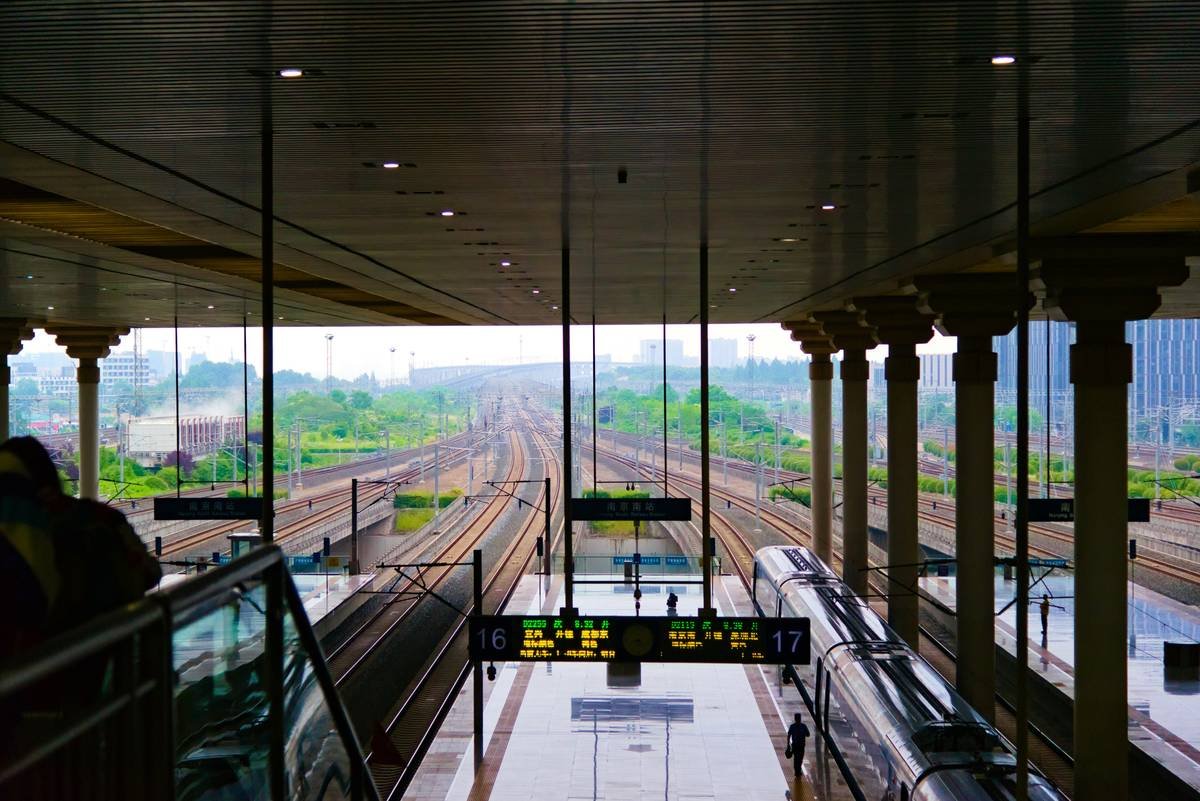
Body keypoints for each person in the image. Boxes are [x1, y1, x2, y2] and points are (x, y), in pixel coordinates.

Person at [785, 712, 810, 778]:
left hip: (798, 745)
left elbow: (789, 735)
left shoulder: (793, 726)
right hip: (798, 745)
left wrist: (788, 744)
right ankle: (797, 771)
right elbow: (808, 734)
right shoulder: (802, 726)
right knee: (798, 759)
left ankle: (797, 771)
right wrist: (788, 745)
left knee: (798, 759)